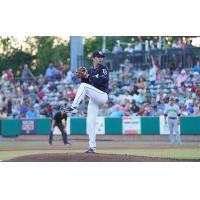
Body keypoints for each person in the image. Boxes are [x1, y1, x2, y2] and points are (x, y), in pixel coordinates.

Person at [66, 50, 109, 153]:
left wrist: (88, 76)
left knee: (84, 86)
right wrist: (83, 76)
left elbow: (102, 80)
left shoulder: (104, 69)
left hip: (102, 95)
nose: (100, 58)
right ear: (93, 58)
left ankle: (74, 107)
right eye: (98, 57)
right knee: (90, 121)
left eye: (101, 57)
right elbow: (86, 83)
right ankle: (92, 147)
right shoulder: (89, 71)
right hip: (94, 98)